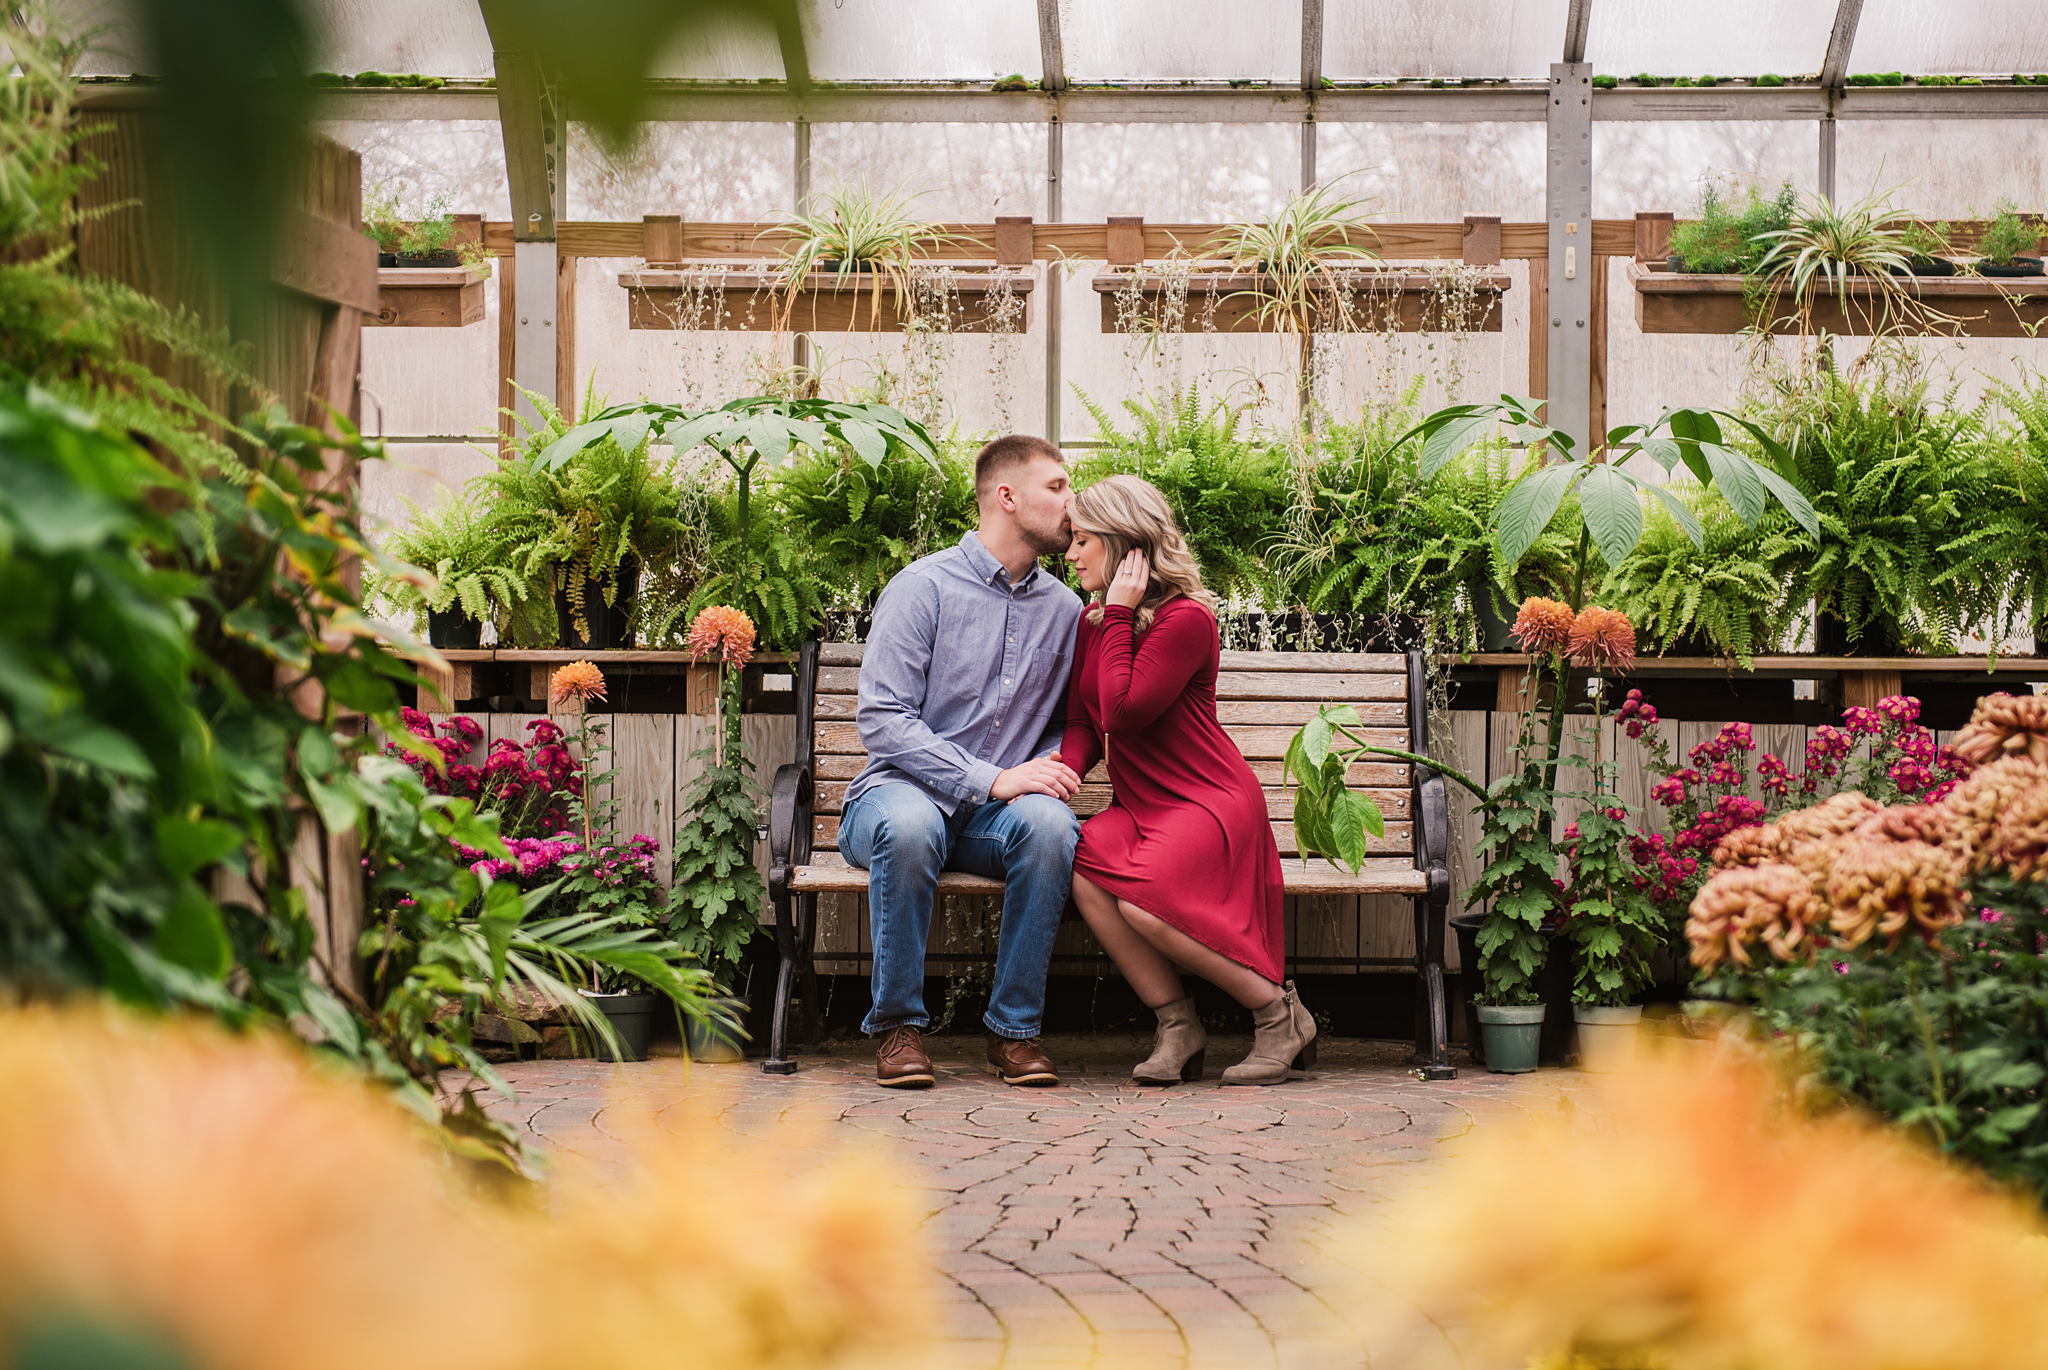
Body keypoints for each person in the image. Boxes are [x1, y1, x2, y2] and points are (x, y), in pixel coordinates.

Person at [842, 434, 1085, 1089]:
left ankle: (1013, 1034)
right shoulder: (922, 587)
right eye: (1057, 487)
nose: (1073, 502)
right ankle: (898, 1028)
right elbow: (884, 720)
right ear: (1006, 497)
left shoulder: (1067, 612)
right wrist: (993, 778)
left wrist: (1043, 773)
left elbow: (1072, 722)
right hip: (893, 796)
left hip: (990, 819)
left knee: (1053, 828)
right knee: (913, 825)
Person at [1058, 475, 1312, 1086]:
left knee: (1143, 904)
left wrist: (1118, 611)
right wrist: (1065, 772)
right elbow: (1085, 718)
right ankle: (1178, 1025)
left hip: (1205, 799)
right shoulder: (1092, 624)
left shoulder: (1185, 620)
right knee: (1086, 869)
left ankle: (1280, 1015)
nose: (1070, 554)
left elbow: (1124, 710)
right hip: (1143, 802)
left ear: (1126, 548)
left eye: (1083, 540)